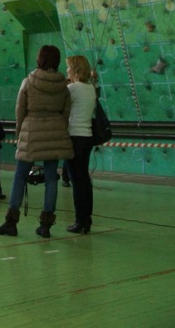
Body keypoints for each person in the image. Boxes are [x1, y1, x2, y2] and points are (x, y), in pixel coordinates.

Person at [0, 45, 73, 238]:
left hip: (31, 132)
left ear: (40, 59)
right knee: (51, 178)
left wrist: (20, 136)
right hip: (54, 133)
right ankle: (45, 225)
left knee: (20, 176)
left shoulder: (28, 81)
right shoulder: (63, 85)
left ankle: (11, 222)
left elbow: (20, 112)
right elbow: (66, 113)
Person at [65, 55, 96, 234]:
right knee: (84, 179)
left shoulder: (73, 88)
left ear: (76, 69)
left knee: (77, 181)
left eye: (69, 67)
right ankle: (87, 219)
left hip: (74, 137)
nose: (67, 70)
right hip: (87, 137)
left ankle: (79, 220)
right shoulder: (90, 88)